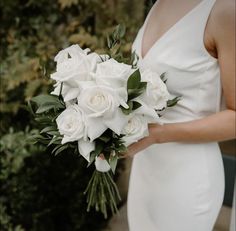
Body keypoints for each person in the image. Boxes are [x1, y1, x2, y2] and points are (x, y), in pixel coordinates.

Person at [126, 0, 235, 230]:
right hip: (145, 169)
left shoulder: (224, 10)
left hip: (188, 177)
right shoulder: (158, 4)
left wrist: (158, 134)